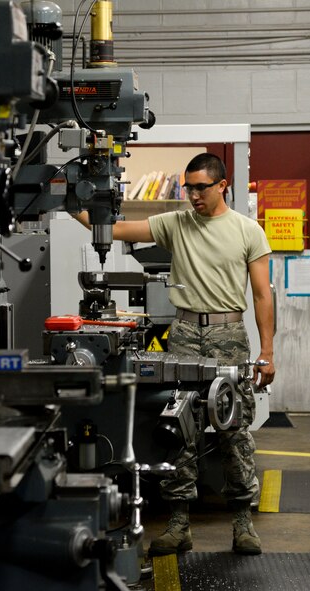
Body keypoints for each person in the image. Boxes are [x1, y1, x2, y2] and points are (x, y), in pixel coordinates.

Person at [73, 152, 275, 556]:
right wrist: (74, 205)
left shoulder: (247, 230)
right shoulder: (176, 223)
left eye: (201, 187)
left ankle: (242, 524)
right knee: (179, 431)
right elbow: (114, 229)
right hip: (183, 334)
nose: (193, 194)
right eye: (188, 187)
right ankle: (179, 524)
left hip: (229, 335)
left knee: (235, 434)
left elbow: (262, 294)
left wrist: (267, 351)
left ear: (221, 185)